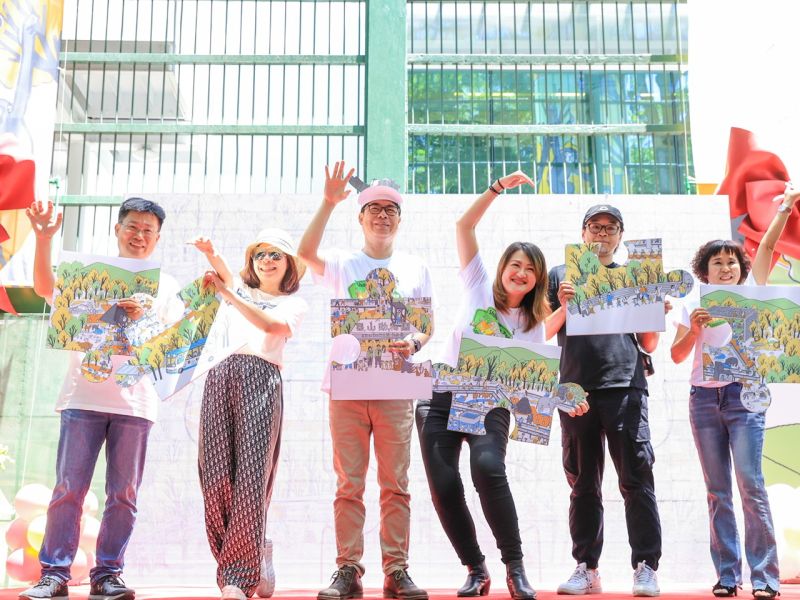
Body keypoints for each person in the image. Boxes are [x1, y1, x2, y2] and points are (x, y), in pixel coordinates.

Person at [415, 172, 589, 600]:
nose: (522, 273)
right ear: (502, 269)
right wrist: (496, 188)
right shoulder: (476, 286)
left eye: (531, 270)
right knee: (444, 485)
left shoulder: (532, 324)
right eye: (516, 265)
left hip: (488, 403)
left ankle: (515, 567)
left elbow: (531, 375)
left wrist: (564, 396)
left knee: (488, 469)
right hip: (440, 394)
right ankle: (475, 567)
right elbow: (463, 226)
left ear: (536, 279)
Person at [20, 197, 182, 600]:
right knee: (68, 488)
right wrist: (44, 238)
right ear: (117, 229)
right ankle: (54, 574)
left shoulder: (168, 285)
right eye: (132, 226)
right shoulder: (88, 274)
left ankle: (108, 574)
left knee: (123, 495)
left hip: (137, 403)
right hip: (82, 397)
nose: (139, 235)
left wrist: (142, 320)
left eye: (148, 230)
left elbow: (173, 345)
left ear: (158, 237)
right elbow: (44, 288)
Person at [298, 162, 432, 600]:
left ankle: (396, 569)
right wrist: (327, 202)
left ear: (400, 218)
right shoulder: (341, 262)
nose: (382, 216)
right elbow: (304, 253)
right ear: (360, 216)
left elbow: (425, 325)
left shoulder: (415, 267)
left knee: (396, 483)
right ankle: (348, 569)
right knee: (348, 483)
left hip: (395, 386)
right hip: (348, 387)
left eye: (390, 209)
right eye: (373, 208)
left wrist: (414, 340)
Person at [668, 184, 798, 600]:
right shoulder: (694, 303)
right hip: (704, 400)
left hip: (745, 399)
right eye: (716, 263)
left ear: (741, 268)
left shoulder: (754, 290)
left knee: (750, 484)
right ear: (704, 271)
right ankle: (728, 575)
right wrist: (696, 330)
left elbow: (770, 245)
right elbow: (675, 355)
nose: (724, 268)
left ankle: (764, 578)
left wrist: (786, 207)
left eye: (730, 262)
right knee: (717, 490)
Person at [549, 205, 663, 597]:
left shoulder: (636, 275)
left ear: (620, 236)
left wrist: (654, 310)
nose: (602, 233)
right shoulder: (560, 275)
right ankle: (586, 567)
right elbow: (541, 331)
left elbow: (649, 344)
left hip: (625, 384)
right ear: (583, 232)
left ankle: (646, 566)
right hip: (575, 387)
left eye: (610, 228)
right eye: (595, 227)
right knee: (583, 482)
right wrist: (564, 305)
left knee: (636, 478)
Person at [190, 229, 307, 600]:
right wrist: (212, 252)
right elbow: (223, 270)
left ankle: (236, 579)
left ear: (288, 264)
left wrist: (227, 293)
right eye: (260, 255)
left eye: (276, 254)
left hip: (261, 378)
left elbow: (272, 327)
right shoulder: (239, 289)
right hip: (220, 375)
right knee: (215, 475)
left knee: (251, 479)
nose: (267, 260)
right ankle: (254, 552)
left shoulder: (292, 303)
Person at [751, 181, 800, 284]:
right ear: (706, 272)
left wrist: (788, 202)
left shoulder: (750, 285)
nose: (726, 269)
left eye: (731, 262)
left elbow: (767, 246)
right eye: (718, 262)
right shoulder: (707, 292)